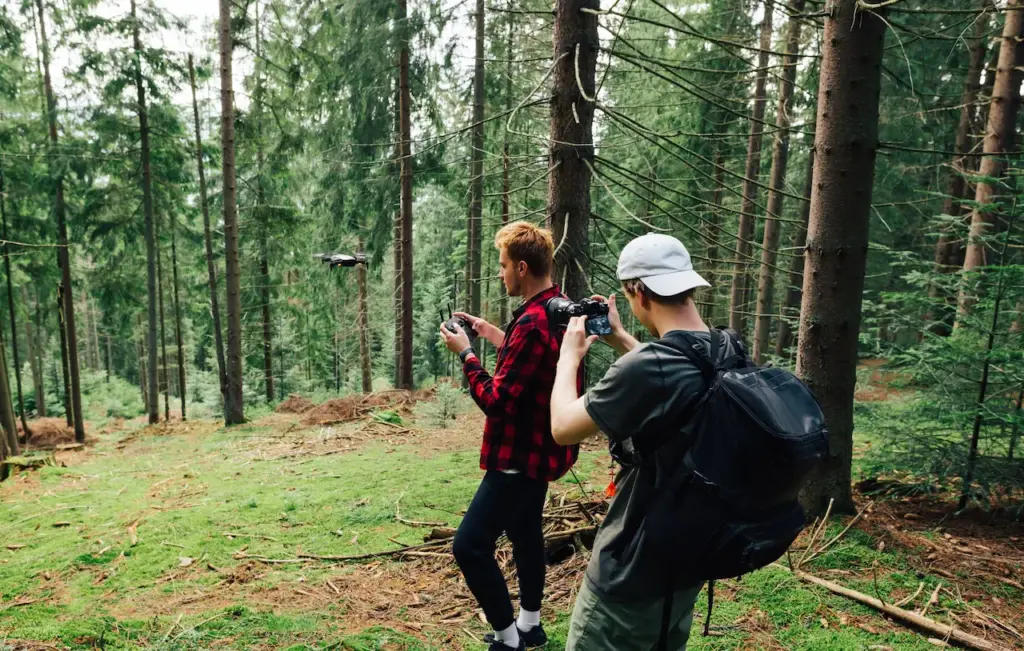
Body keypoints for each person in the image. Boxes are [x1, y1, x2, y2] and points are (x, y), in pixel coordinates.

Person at [548, 233, 742, 651]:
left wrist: (568, 359)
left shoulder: (650, 366)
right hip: (687, 565)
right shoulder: (727, 349)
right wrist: (621, 338)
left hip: (629, 574)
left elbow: (563, 426)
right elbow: (676, 376)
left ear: (637, 290)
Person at [439, 221, 581, 651]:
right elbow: (534, 361)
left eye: (502, 266)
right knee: (524, 535)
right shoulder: (558, 308)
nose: (500, 274)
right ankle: (530, 625)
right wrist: (490, 333)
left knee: (470, 547)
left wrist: (466, 354)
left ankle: (508, 639)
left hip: (517, 454)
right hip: (541, 450)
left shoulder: (535, 322)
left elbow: (498, 401)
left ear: (521, 267)